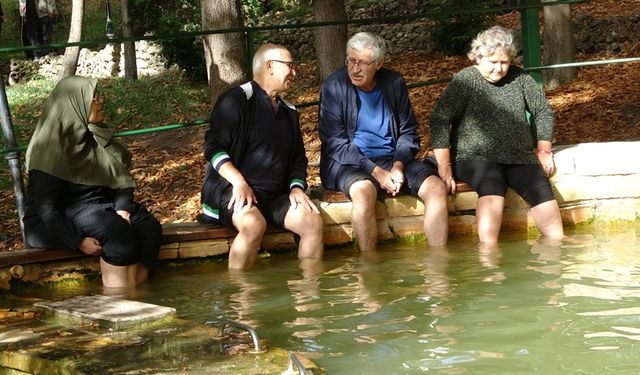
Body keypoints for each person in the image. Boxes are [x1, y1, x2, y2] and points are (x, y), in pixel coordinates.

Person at [22, 76, 162, 288]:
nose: (101, 101)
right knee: (119, 234)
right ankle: (120, 301)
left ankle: (131, 289)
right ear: (76, 104)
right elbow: (46, 208)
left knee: (147, 227)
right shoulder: (49, 149)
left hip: (98, 204)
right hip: (58, 216)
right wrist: (77, 241)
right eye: (94, 97)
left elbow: (120, 176)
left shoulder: (95, 135)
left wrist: (123, 208)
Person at [429, 26, 564, 244]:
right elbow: (440, 119)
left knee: (540, 186)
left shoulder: (520, 77)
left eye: (504, 62)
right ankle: (488, 255)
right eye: (493, 62)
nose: (499, 69)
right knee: (492, 184)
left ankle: (556, 250)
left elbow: (543, 111)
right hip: (475, 157)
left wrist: (544, 149)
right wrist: (444, 167)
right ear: (478, 57)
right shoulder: (466, 80)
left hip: (518, 156)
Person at [318, 32, 449, 251]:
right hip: (349, 162)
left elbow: (409, 132)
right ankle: (369, 273)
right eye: (351, 61)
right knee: (363, 191)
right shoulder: (334, 86)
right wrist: (376, 172)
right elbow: (335, 143)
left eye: (362, 63)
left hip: (392, 159)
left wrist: (398, 165)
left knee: (436, 188)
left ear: (379, 63)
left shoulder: (394, 83)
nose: (355, 68)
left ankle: (438, 270)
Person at [200, 43, 324, 269]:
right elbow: (213, 148)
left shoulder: (289, 112)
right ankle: (240, 298)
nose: (294, 72)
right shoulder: (235, 100)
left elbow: (298, 160)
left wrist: (297, 187)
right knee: (254, 225)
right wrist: (239, 182)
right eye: (289, 65)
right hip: (231, 191)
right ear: (269, 66)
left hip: (274, 196)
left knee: (312, 221)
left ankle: (308, 297)